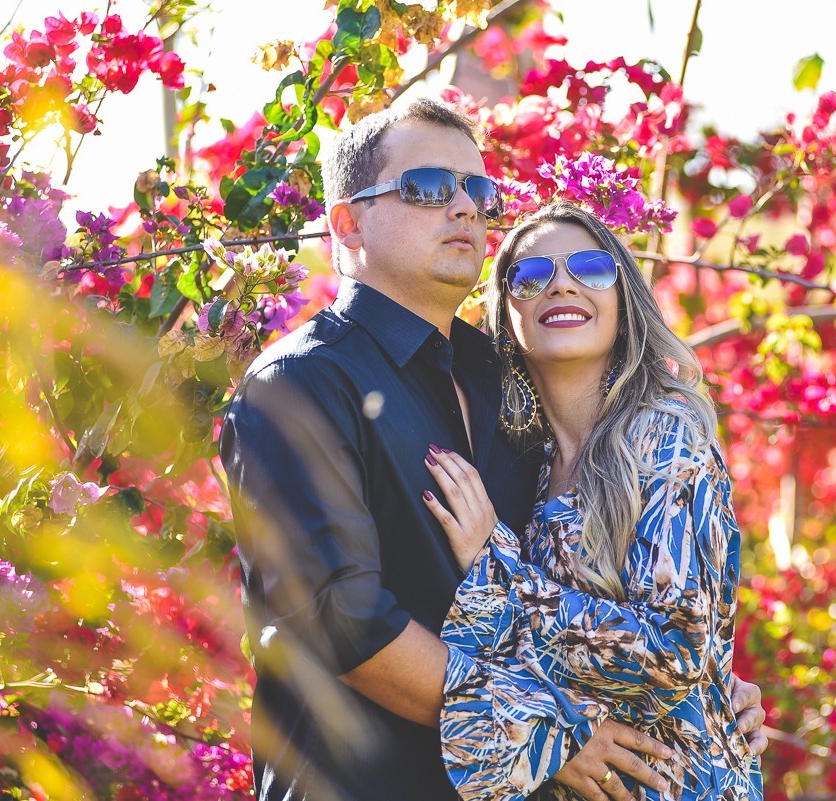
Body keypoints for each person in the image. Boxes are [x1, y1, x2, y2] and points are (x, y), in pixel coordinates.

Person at [220, 99, 765, 801]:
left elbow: (604, 589)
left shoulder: (506, 383)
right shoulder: (297, 385)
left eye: (479, 191)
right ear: (347, 223)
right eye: (426, 187)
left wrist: (708, 679)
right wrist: (545, 734)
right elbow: (346, 623)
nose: (464, 207)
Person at [422, 201, 764, 801]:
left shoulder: (664, 435)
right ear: (507, 315)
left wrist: (494, 566)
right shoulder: (524, 468)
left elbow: (671, 655)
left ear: (624, 299)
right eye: (529, 276)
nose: (560, 284)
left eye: (590, 267)